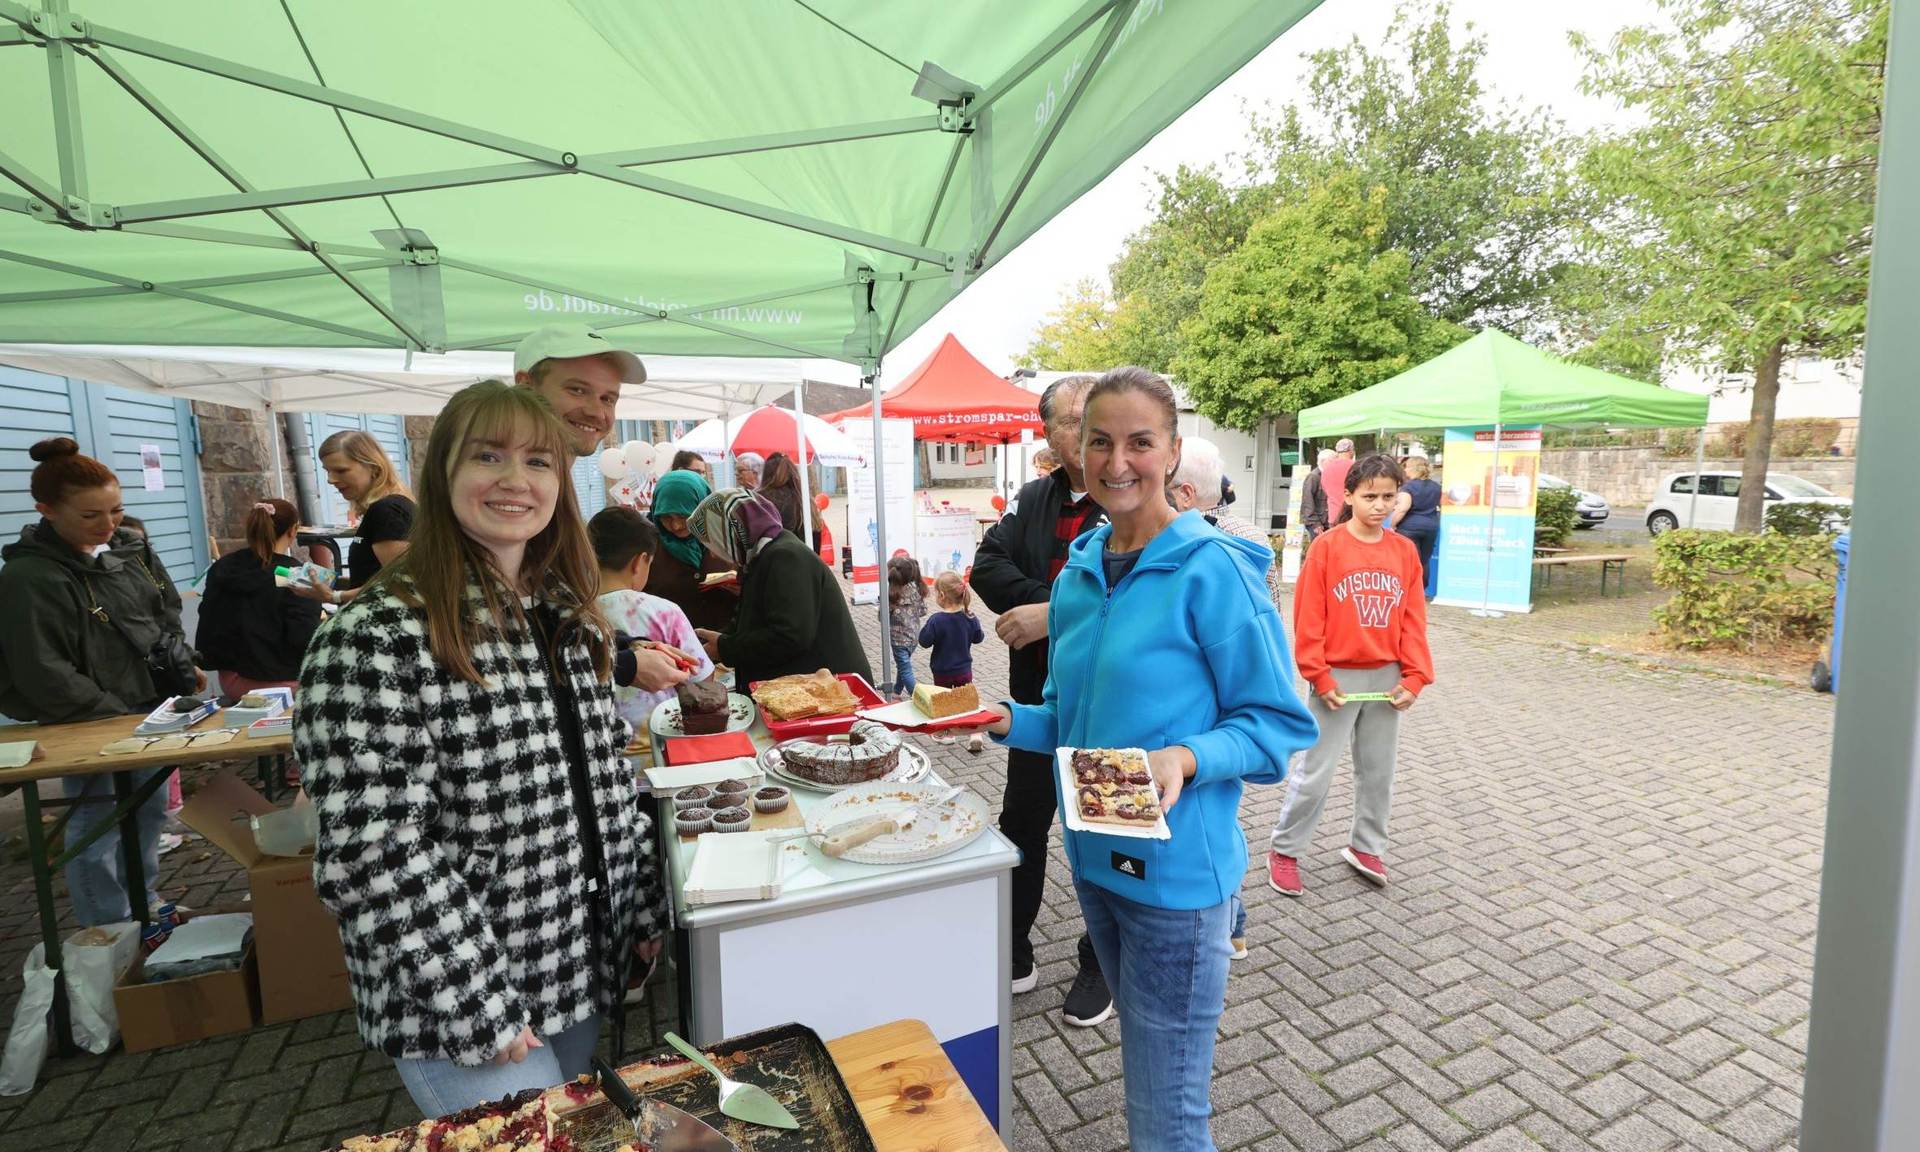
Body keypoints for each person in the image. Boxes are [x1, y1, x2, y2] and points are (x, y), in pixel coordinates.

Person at [294, 380, 664, 1116]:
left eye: (538, 462)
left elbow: (605, 779)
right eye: (488, 456)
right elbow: (373, 854)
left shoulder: (566, 616)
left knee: (577, 1125)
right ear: (444, 475)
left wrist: (643, 908)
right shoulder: (375, 635)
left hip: (574, 962)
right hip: (457, 998)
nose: (514, 480)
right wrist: (475, 1003)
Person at [971, 367, 1316, 1150]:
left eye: (1139, 442)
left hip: (1179, 885)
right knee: (1148, 1078)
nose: (1117, 461)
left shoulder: (1215, 572)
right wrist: (1000, 718)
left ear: (1173, 451)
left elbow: (1275, 724)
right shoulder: (1080, 574)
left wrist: (1186, 759)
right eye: (1100, 441)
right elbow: (1067, 717)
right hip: (1095, 862)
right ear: (1074, 451)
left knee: (1167, 1114)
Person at [0, 438, 205, 925]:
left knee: (150, 812)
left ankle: (144, 901)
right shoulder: (29, 577)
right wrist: (108, 711)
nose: (108, 524)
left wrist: (178, 657)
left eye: (116, 510)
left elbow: (166, 610)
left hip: (147, 711)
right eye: (91, 515)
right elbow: (41, 668)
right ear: (46, 510)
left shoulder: (128, 553)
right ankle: (109, 929)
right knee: (98, 823)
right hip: (89, 722)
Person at [973, 373, 1114, 1026]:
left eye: (1097, 417)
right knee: (1023, 824)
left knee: (1101, 837)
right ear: (1049, 434)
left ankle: (1101, 961)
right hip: (1036, 704)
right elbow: (985, 566)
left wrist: (1052, 614)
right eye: (1073, 420)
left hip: (1111, 712)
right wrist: (1039, 603)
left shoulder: (1130, 502)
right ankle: (1012, 946)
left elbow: (1133, 595)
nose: (1086, 432)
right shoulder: (1035, 498)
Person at [1268, 454, 1435, 899]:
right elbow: (1308, 619)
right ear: (1348, 496)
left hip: (1387, 675)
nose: (1380, 505)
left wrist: (1416, 677)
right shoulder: (1326, 548)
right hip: (1337, 677)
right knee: (1316, 771)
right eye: (1370, 496)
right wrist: (1319, 676)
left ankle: (1367, 847)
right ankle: (1285, 850)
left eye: (1389, 496)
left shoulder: (1403, 551)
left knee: (1379, 771)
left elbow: (1413, 618)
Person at [689, 488, 871, 687]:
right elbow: (753, 622)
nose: (713, 555)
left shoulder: (785, 557)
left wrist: (726, 648)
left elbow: (790, 637)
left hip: (832, 691)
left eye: (713, 543)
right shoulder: (762, 555)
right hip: (811, 687)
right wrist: (715, 642)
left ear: (731, 532)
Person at [589, 507, 714, 735]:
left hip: (599, 747)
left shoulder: (570, 614)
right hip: (661, 743)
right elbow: (703, 678)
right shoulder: (664, 612)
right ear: (640, 561)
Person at [196, 499, 323, 697]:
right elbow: (305, 638)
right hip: (282, 682)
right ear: (293, 531)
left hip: (232, 679)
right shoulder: (294, 574)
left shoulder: (223, 567)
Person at [298, 429, 413, 605]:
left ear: (374, 467)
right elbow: (373, 579)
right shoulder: (386, 508)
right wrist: (329, 583)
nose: (330, 480)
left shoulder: (387, 511)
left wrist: (333, 596)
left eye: (341, 470)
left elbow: (402, 586)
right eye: (327, 471)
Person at [512, 323, 647, 458]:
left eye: (607, 399)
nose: (597, 413)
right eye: (578, 390)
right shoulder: (498, 477)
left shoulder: (547, 478)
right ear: (526, 386)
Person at [645, 469, 737, 633]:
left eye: (683, 516)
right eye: (666, 517)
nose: (676, 526)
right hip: (671, 648)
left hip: (726, 645)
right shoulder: (648, 548)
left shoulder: (727, 540)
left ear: (701, 509)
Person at [918, 571, 986, 752]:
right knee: (967, 701)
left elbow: (924, 642)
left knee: (945, 703)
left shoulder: (937, 620)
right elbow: (979, 638)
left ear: (941, 595)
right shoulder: (970, 616)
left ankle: (948, 734)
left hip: (942, 671)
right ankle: (975, 733)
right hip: (964, 669)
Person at [1389, 455, 1442, 592]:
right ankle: (1422, 589)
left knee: (1409, 560)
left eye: (1406, 467)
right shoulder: (1436, 486)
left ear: (1412, 469)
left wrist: (1393, 524)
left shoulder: (1408, 487)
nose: (1405, 470)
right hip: (1431, 526)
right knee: (1424, 560)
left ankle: (1409, 590)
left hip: (1409, 528)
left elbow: (1402, 508)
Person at [758, 451, 824, 543]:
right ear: (794, 473)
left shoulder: (760, 499)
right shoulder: (806, 500)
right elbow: (816, 536)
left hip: (774, 555)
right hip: (805, 555)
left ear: (766, 474)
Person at [885, 556, 927, 700]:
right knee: (903, 666)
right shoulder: (915, 590)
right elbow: (923, 611)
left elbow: (882, 618)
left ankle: (918, 698)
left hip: (898, 641)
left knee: (905, 670)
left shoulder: (890, 595)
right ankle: (897, 691)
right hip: (914, 637)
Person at [1321, 438, 1357, 525]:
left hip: (1333, 515)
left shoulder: (1327, 468)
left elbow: (1325, 490)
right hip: (1352, 515)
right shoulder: (1356, 467)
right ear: (1351, 450)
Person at [1300, 448, 1332, 541]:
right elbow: (1307, 502)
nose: (1335, 463)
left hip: (1325, 522)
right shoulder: (1313, 477)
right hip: (1317, 523)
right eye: (1333, 461)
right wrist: (1315, 524)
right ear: (1323, 461)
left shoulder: (1328, 475)